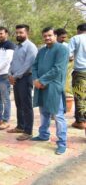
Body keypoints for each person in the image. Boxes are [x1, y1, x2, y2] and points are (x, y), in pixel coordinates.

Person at [31, 27, 69, 155]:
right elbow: (34, 66)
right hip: (40, 86)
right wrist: (36, 80)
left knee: (58, 116)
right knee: (43, 112)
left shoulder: (62, 49)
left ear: (55, 35)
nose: (47, 38)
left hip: (54, 86)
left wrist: (41, 81)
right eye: (45, 36)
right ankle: (43, 135)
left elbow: (57, 69)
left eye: (50, 35)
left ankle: (62, 143)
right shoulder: (41, 51)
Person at [8, 24, 38, 140]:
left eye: (21, 32)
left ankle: (28, 131)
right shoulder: (17, 47)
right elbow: (13, 62)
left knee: (26, 105)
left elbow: (28, 65)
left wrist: (14, 76)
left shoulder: (31, 47)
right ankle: (20, 126)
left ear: (27, 33)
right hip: (16, 79)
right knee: (19, 104)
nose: (19, 35)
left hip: (25, 78)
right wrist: (10, 74)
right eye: (17, 33)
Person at [68, 23, 86, 129]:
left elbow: (68, 54)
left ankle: (80, 121)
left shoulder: (76, 38)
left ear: (78, 30)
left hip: (80, 71)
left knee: (80, 96)